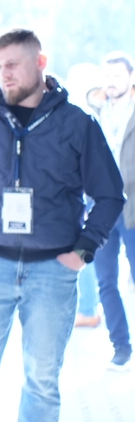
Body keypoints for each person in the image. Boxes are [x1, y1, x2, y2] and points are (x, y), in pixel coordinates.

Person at [0, 29, 124, 422]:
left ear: (40, 63)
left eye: (13, 65)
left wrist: (83, 251)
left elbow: (110, 195)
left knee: (42, 382)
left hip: (52, 272)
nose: (4, 74)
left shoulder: (78, 123)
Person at [86, 51, 135, 369]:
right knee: (105, 281)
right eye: (107, 76)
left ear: (131, 77)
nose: (112, 82)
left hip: (133, 207)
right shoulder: (93, 111)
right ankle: (121, 347)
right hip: (101, 207)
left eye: (118, 75)